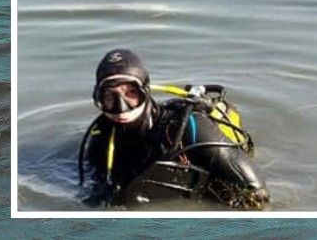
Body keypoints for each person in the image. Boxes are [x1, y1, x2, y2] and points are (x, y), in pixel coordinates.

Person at [79, 48, 269, 209]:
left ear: (145, 92)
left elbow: (259, 193)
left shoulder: (186, 127)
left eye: (131, 93)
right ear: (99, 99)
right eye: (110, 96)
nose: (121, 107)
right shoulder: (101, 138)